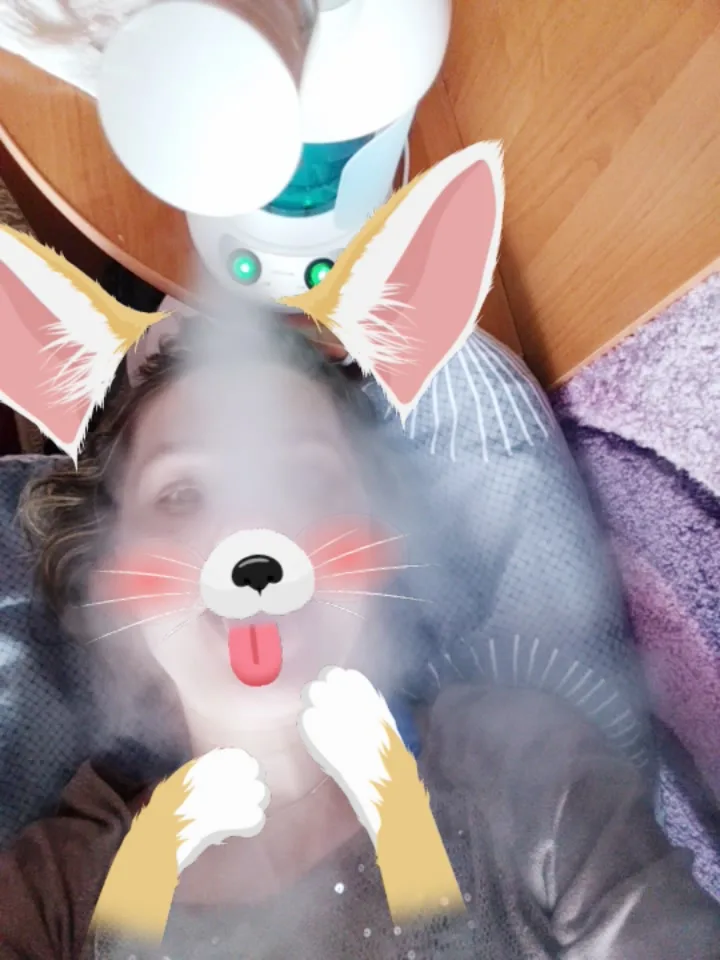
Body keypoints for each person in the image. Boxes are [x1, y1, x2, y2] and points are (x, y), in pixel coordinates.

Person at [1, 320, 719, 959]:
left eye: (305, 481)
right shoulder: (55, 895)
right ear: (107, 572)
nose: (254, 534)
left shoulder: (524, 774)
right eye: (183, 494)